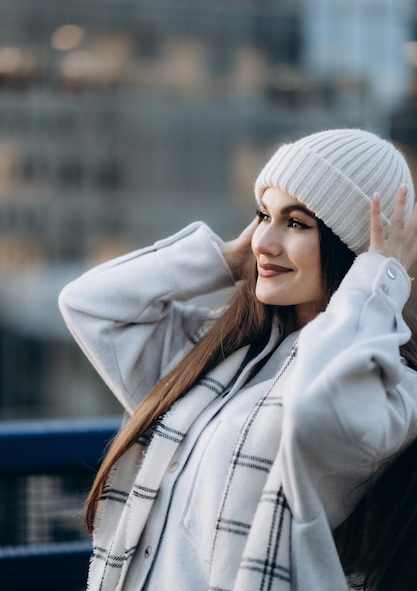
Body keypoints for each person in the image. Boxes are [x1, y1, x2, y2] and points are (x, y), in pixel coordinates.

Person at [59, 128, 417, 591]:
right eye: (263, 215)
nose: (264, 241)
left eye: (296, 222)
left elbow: (316, 412)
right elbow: (90, 305)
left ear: (350, 248)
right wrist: (227, 259)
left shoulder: (388, 386)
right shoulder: (219, 355)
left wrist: (377, 283)